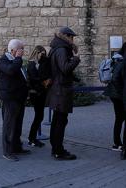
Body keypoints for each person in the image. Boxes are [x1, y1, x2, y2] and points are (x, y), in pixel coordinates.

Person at [47, 27, 81, 161]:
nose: (73, 39)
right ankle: (58, 150)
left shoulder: (57, 48)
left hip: (58, 89)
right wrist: (76, 60)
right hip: (61, 91)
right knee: (60, 121)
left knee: (58, 120)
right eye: (72, 37)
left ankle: (56, 148)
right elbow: (65, 68)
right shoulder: (61, 49)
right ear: (66, 36)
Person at [0, 39, 29, 161]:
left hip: (19, 98)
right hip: (10, 98)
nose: (23, 52)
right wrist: (18, 58)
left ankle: (16, 146)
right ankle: (7, 151)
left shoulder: (16, 61)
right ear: (13, 50)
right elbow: (11, 71)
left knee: (17, 125)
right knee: (9, 126)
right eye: (21, 49)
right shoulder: (4, 61)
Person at [102, 42, 126, 152]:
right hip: (117, 94)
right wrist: (122, 92)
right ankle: (117, 143)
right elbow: (116, 79)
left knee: (122, 117)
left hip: (115, 93)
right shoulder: (121, 61)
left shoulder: (117, 59)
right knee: (120, 118)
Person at [27, 45, 52, 147]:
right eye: (42, 54)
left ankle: (32, 138)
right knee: (38, 116)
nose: (43, 56)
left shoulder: (38, 64)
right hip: (35, 93)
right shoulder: (32, 64)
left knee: (39, 116)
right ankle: (31, 138)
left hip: (40, 92)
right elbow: (33, 78)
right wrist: (44, 80)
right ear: (37, 53)